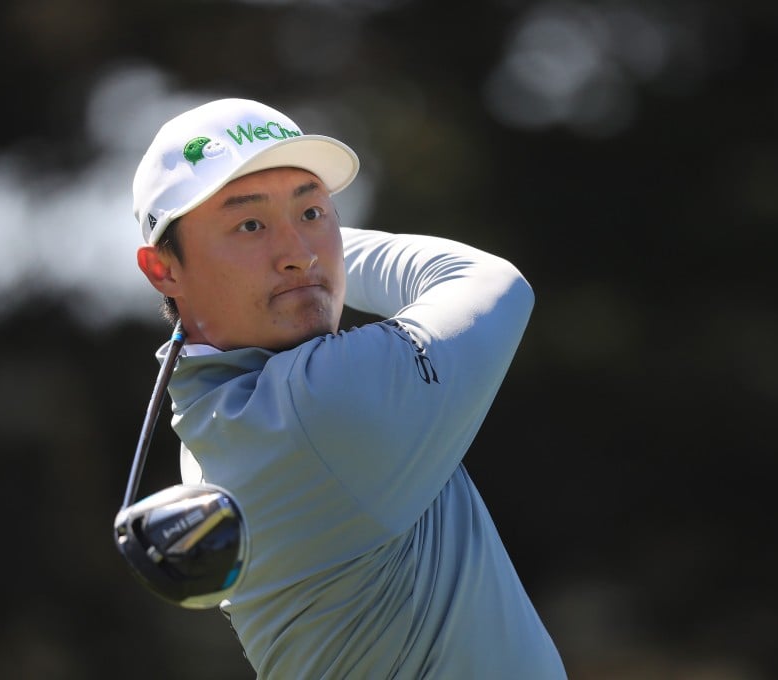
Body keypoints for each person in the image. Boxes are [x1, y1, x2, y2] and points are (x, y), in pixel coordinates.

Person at [131, 97, 567, 679]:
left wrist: (294, 242)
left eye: (314, 213)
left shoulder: (211, 421)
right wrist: (316, 245)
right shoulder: (324, 405)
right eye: (250, 225)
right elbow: (489, 281)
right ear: (163, 270)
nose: (300, 253)